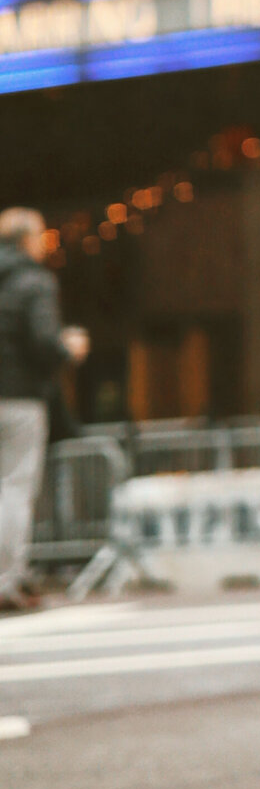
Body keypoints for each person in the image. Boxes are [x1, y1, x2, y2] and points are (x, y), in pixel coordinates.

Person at [0, 208, 84, 606]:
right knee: (14, 487)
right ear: (28, 240)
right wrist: (68, 348)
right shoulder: (35, 281)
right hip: (18, 398)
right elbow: (42, 342)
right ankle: (6, 580)